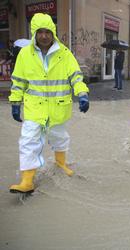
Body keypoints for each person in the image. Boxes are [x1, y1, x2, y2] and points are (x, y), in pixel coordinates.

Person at [8, 13, 90, 194]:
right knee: (28, 141)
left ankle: (61, 164)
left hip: (58, 109)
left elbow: (76, 76)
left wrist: (82, 93)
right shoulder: (25, 54)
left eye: (47, 32)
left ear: (53, 33)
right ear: (34, 34)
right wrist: (15, 101)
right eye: (40, 32)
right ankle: (27, 180)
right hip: (34, 109)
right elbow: (19, 80)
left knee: (60, 139)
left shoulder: (65, 54)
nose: (44, 36)